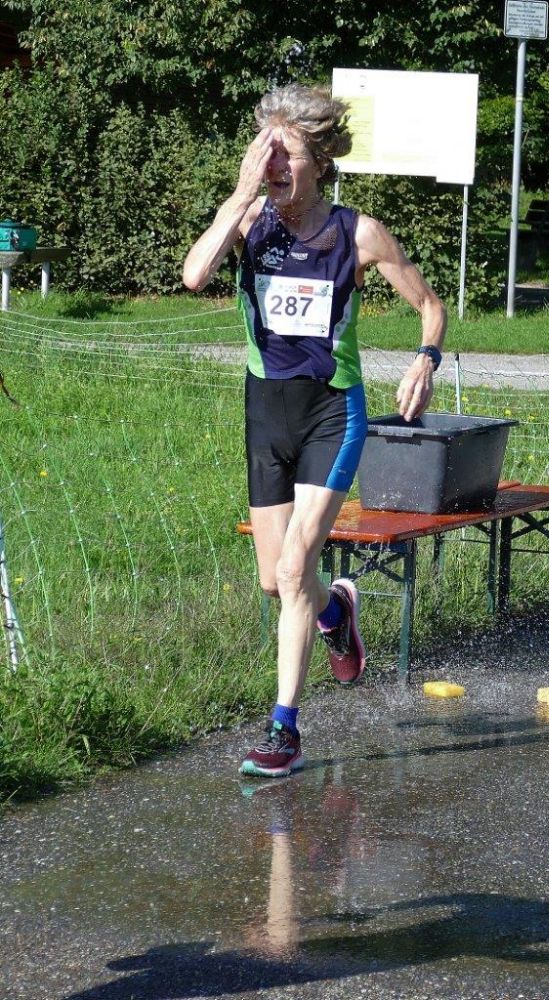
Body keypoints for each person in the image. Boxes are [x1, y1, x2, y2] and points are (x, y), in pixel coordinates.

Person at [183, 83, 446, 778]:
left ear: (320, 161)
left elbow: (430, 306)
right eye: (263, 154)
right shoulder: (248, 220)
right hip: (266, 411)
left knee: (296, 567)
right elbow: (194, 275)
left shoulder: (359, 233)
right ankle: (337, 612)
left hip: (332, 411)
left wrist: (426, 359)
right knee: (277, 581)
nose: (273, 168)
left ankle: (285, 729)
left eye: (287, 155)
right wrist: (239, 196)